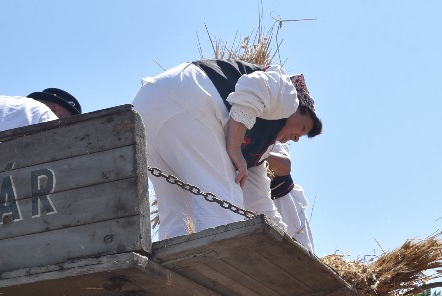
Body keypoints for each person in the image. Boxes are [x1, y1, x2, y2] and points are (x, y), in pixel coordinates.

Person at [132, 59, 322, 239]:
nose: (296, 138)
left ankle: (173, 273)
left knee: (178, 214)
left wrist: (286, 248)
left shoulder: (259, 151)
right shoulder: (286, 92)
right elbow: (253, 88)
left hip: (145, 109)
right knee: (223, 210)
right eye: (303, 128)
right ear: (299, 106)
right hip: (188, 98)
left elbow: (259, 204)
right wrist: (234, 147)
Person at [264, 142, 314, 252]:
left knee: (302, 250)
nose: (296, 139)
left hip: (287, 203)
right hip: (259, 204)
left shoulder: (272, 142)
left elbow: (285, 167)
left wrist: (258, 153)